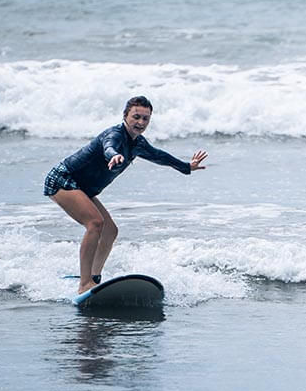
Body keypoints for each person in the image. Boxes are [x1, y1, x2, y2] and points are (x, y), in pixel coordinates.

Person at [43, 96, 208, 293]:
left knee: (110, 231)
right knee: (95, 223)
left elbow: (159, 156)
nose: (140, 122)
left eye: (145, 119)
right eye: (136, 117)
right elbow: (109, 147)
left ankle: (94, 277)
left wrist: (186, 167)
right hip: (63, 179)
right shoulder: (114, 135)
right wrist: (114, 155)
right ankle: (84, 283)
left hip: (83, 187)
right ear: (125, 116)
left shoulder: (138, 143)